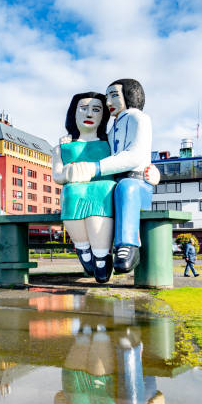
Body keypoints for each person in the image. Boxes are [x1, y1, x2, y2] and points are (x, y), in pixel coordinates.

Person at [63, 79, 159, 275]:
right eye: (108, 97)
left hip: (136, 182)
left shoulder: (138, 118)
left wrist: (96, 168)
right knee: (103, 192)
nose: (109, 102)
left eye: (114, 95)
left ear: (130, 95)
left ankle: (128, 245)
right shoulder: (112, 128)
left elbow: (136, 155)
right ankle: (96, 251)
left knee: (126, 188)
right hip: (115, 181)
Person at [52, 92, 115, 283]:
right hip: (75, 190)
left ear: (103, 115)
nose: (89, 114)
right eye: (83, 109)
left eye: (96, 109)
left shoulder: (110, 143)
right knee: (72, 191)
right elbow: (57, 175)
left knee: (103, 189)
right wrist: (68, 174)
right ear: (74, 113)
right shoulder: (62, 147)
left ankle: (101, 253)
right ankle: (83, 247)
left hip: (103, 188)